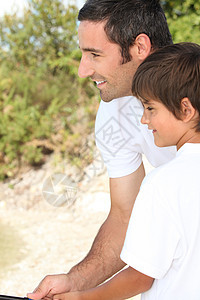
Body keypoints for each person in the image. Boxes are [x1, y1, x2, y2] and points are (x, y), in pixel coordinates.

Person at [27, 0, 176, 298]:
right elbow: (125, 216)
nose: (83, 71)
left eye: (94, 54)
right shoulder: (114, 111)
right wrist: (76, 281)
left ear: (140, 47)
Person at [51, 42, 200, 300]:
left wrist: (82, 297)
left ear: (185, 109)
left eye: (150, 108)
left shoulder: (161, 184)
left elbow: (140, 276)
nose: (144, 119)